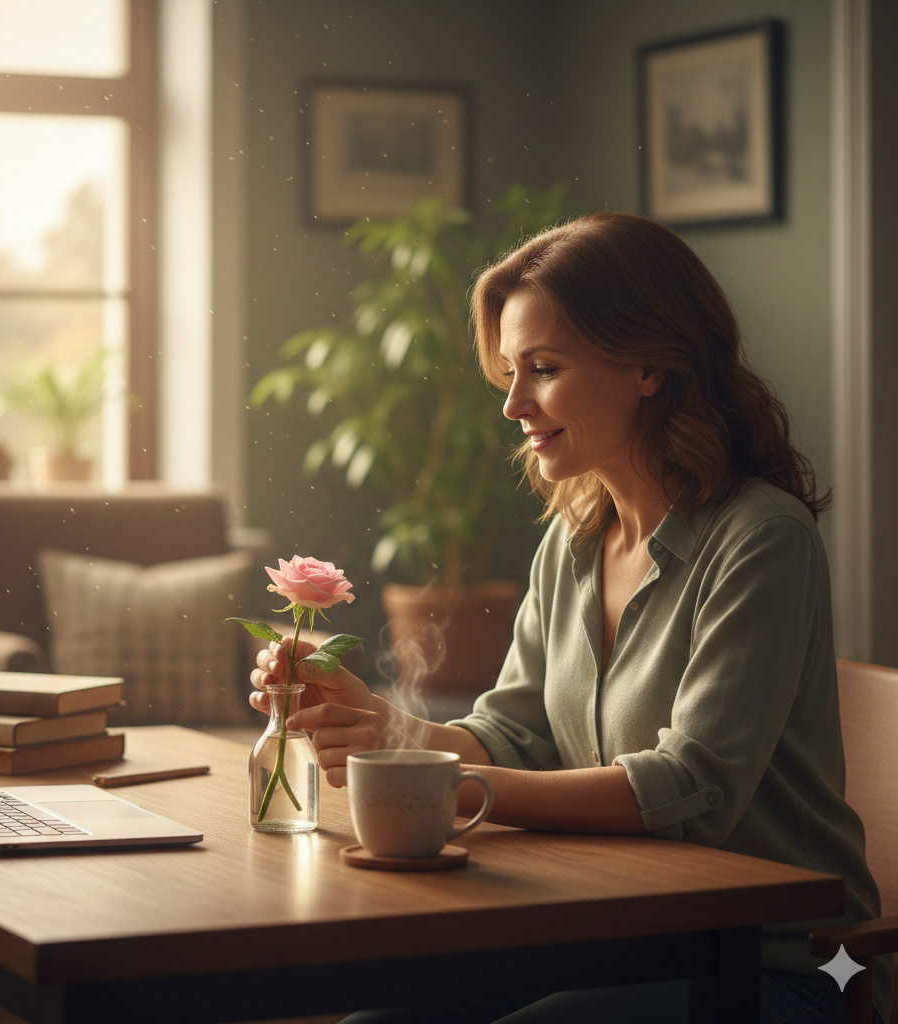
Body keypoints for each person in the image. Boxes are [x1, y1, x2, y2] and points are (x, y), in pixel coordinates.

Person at [250, 213, 891, 1024]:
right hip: (620, 935)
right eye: (511, 375)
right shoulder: (574, 537)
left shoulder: (763, 539)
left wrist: (445, 781)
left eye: (544, 369)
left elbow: (693, 788)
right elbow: (513, 735)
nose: (514, 403)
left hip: (780, 962)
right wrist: (377, 721)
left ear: (650, 366)